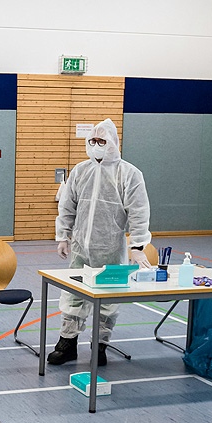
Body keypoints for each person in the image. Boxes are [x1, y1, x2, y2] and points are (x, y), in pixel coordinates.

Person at [48, 118, 152, 366]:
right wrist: (63, 235)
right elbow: (67, 206)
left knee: (108, 299)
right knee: (73, 295)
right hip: (81, 249)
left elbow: (139, 211)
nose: (96, 145)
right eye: (93, 141)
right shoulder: (80, 171)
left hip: (111, 249)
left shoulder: (129, 174)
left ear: (113, 143)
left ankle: (100, 346)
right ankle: (67, 343)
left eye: (101, 141)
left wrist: (137, 247)